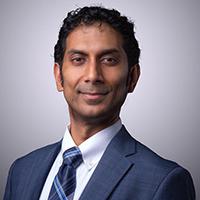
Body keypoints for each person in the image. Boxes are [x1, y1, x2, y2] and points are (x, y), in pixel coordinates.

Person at [4, 6, 195, 200]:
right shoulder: (22, 171)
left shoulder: (164, 181)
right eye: (78, 59)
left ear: (132, 77)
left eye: (109, 60)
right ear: (58, 76)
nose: (93, 75)